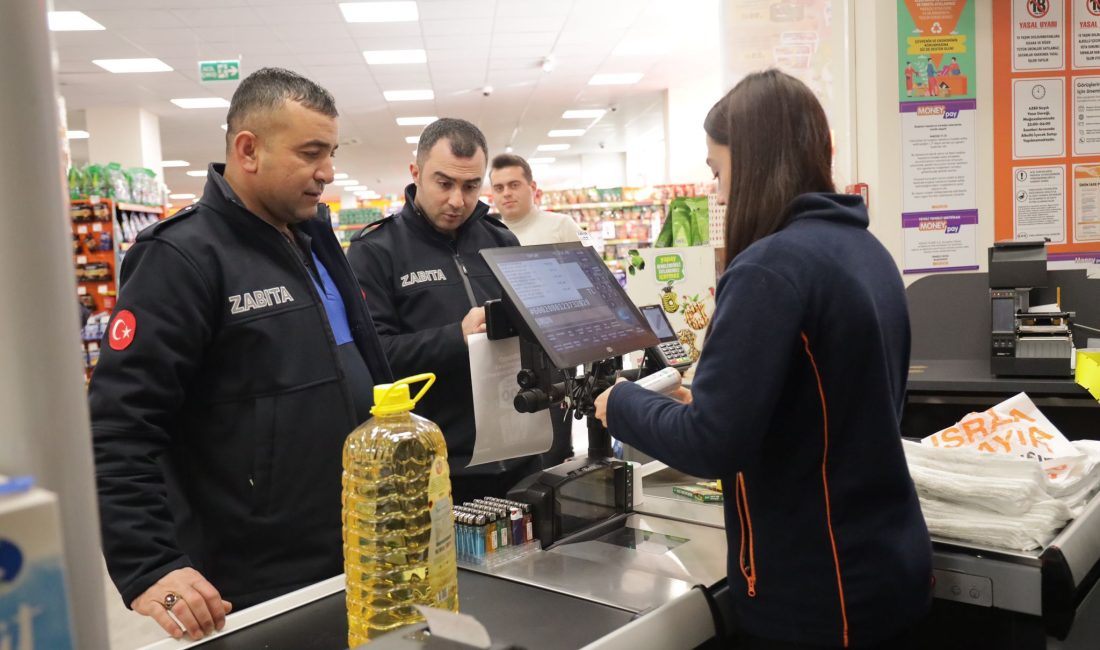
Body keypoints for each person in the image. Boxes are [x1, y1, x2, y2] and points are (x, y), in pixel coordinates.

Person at [594, 69, 932, 649]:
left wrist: (619, 403)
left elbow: (712, 445)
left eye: (719, 171)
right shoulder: (865, 249)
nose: (720, 194)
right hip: (885, 564)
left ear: (752, 162)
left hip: (818, 594)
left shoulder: (768, 270)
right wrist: (717, 401)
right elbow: (830, 401)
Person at [90, 67, 392, 641]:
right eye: (310, 153)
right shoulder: (180, 259)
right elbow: (120, 425)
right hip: (255, 578)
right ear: (247, 150)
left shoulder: (316, 241)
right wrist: (149, 564)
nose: (326, 173)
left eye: (329, 152)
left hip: (353, 547)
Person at [347, 118, 541, 504]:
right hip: (435, 470)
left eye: (471, 186)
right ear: (416, 173)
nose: (458, 200)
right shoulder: (375, 251)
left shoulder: (502, 241)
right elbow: (375, 358)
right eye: (444, 183)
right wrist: (456, 337)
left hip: (520, 458)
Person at [488, 153, 586, 246]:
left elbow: (594, 262)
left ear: (533, 187)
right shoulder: (489, 236)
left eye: (514, 185)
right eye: (499, 188)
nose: (506, 193)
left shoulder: (562, 225)